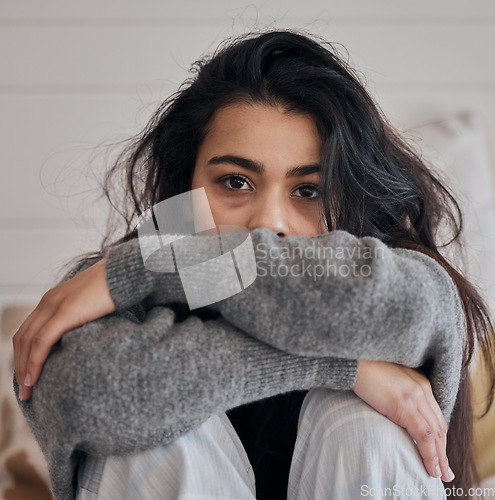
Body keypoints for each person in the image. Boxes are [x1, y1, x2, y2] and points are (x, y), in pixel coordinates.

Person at [12, 29, 495, 500]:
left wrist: (158, 262)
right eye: (236, 182)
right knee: (146, 430)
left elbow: (382, 307)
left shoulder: (405, 279)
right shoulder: (101, 288)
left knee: (367, 427)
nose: (267, 224)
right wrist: (344, 367)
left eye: (309, 190)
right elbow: (90, 395)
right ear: (186, 190)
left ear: (352, 204)